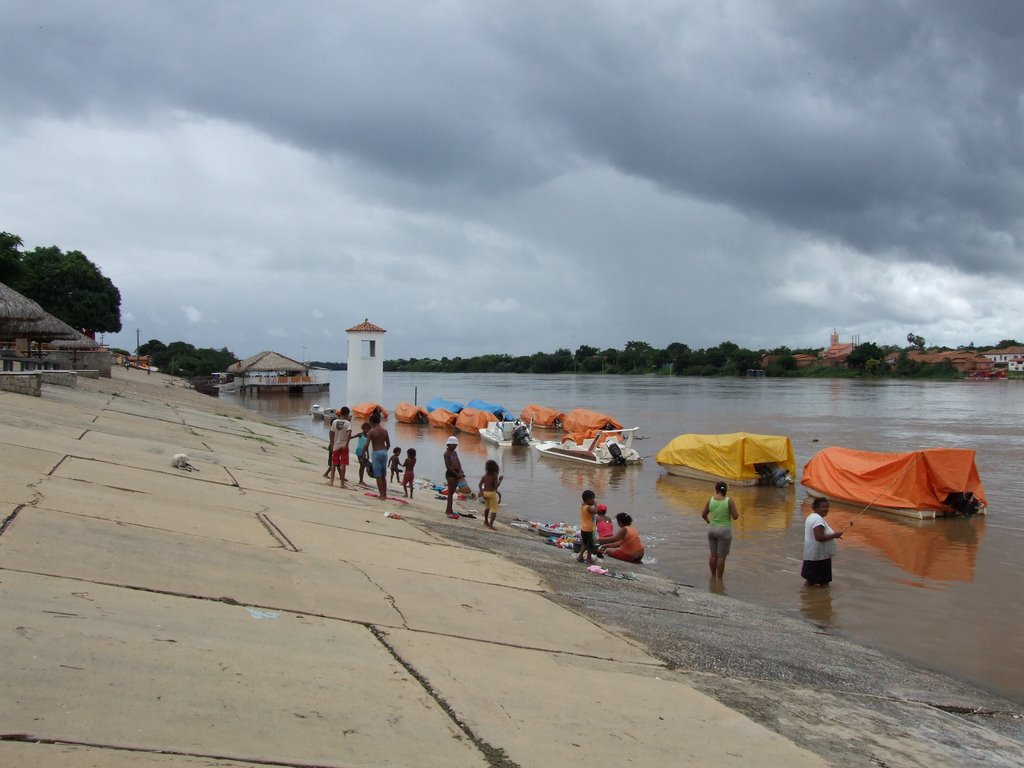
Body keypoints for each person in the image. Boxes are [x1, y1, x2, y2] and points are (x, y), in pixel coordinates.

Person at [701, 481, 739, 579]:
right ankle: (719, 579)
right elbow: (735, 517)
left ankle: (713, 576)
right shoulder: (729, 501)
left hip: (712, 529)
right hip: (724, 531)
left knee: (713, 555)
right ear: (725, 490)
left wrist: (708, 521)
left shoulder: (711, 500)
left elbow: (703, 514)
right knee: (721, 557)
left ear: (716, 490)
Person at [802, 496, 843, 586]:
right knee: (824, 584)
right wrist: (834, 535)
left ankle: (806, 598)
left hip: (811, 556)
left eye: (827, 507)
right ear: (816, 508)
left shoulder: (811, 517)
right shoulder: (817, 519)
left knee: (810, 582)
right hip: (819, 558)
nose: (826, 509)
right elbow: (819, 537)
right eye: (823, 507)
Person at [326, 407, 353, 487]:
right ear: (347, 414)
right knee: (343, 464)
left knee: (334, 463)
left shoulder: (334, 422)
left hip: (336, 445)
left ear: (341, 413)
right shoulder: (348, 423)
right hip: (344, 446)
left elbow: (331, 433)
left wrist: (331, 443)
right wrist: (347, 443)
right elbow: (349, 433)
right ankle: (342, 483)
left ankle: (331, 481)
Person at [367, 412, 391, 499]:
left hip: (376, 453)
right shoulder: (385, 431)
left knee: (378, 476)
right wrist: (384, 451)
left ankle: (381, 495)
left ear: (372, 422)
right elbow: (388, 444)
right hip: (384, 453)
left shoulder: (371, 432)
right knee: (383, 475)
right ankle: (385, 494)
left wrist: (363, 453)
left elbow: (367, 444)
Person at [443, 436, 465, 519]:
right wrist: (456, 473)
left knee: (452, 493)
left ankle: (450, 509)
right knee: (450, 493)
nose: (456, 446)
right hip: (450, 474)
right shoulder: (446, 453)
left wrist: (460, 472)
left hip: (457, 473)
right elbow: (448, 466)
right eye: (454, 445)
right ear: (449, 444)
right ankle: (448, 510)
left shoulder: (454, 453)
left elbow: (458, 463)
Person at [478, 459, 503, 529]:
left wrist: (482, 494)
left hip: (485, 493)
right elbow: (496, 486)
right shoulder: (494, 475)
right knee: (494, 509)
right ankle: (491, 525)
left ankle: (486, 521)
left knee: (487, 507)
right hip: (492, 493)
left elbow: (480, 484)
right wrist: (500, 480)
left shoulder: (485, 476)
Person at [577, 490, 598, 564]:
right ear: (588, 499)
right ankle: (589, 558)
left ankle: (580, 556)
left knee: (585, 543)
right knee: (590, 545)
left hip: (583, 528)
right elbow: (595, 511)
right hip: (589, 529)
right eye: (593, 499)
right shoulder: (588, 508)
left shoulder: (583, 506)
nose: (594, 500)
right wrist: (595, 505)